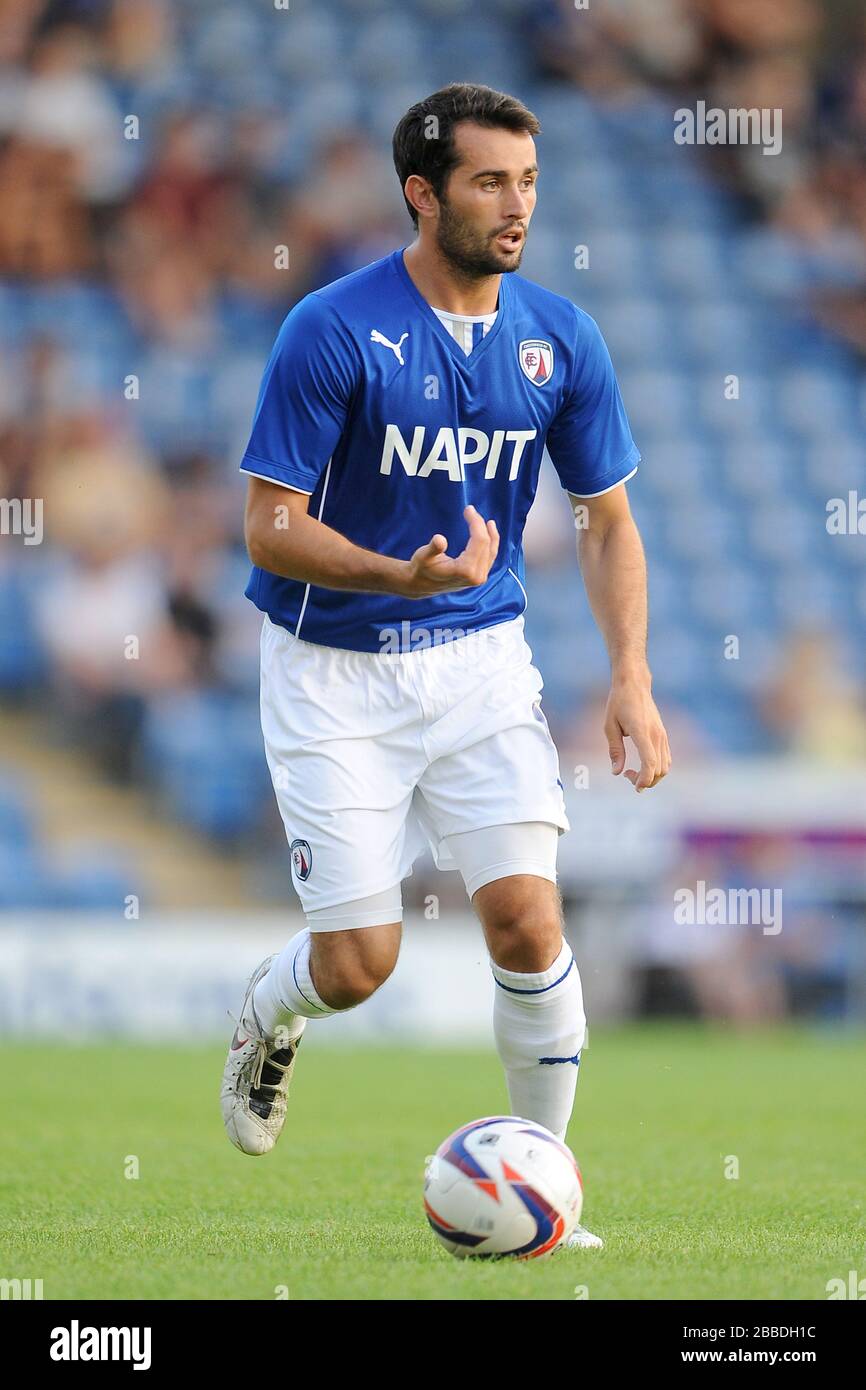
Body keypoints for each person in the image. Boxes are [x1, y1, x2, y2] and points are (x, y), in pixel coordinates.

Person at [221, 82, 671, 1252]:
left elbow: (607, 519)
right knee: (359, 963)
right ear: (422, 195)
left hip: (477, 661)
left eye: (525, 181)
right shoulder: (331, 327)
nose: (515, 205)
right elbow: (268, 524)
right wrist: (393, 573)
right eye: (487, 182)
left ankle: (548, 1190)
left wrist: (629, 675)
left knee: (526, 920)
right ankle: (272, 1013)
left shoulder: (559, 337)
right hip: (334, 669)